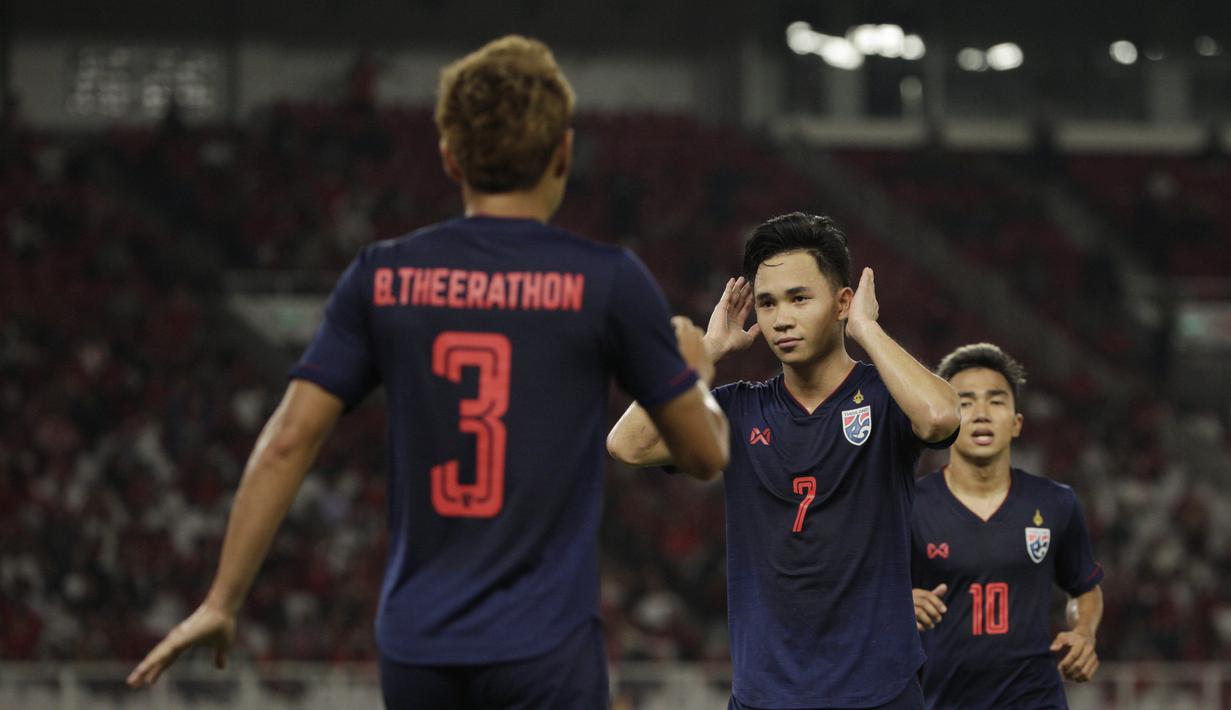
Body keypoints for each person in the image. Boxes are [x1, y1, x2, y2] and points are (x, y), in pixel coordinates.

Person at [126, 35, 730, 710]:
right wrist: (697, 372)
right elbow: (703, 457)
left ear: (448, 156)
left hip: (417, 646)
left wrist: (221, 599)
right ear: (563, 151)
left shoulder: (381, 276)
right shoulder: (609, 281)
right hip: (545, 647)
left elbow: (289, 440)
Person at [607, 212, 961, 709]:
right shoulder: (738, 408)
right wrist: (707, 350)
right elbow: (628, 444)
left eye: (799, 298)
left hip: (878, 693)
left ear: (841, 303)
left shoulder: (883, 398)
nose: (781, 319)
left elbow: (942, 418)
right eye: (768, 303)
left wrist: (868, 329)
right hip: (766, 696)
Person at [910, 343, 1103, 709]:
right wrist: (899, 602)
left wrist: (1083, 632)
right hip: (938, 699)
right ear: (944, 418)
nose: (981, 413)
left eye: (996, 401)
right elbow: (863, 591)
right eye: (965, 402)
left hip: (1034, 698)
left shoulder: (1056, 503)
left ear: (1016, 423)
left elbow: (1084, 587)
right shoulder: (908, 506)